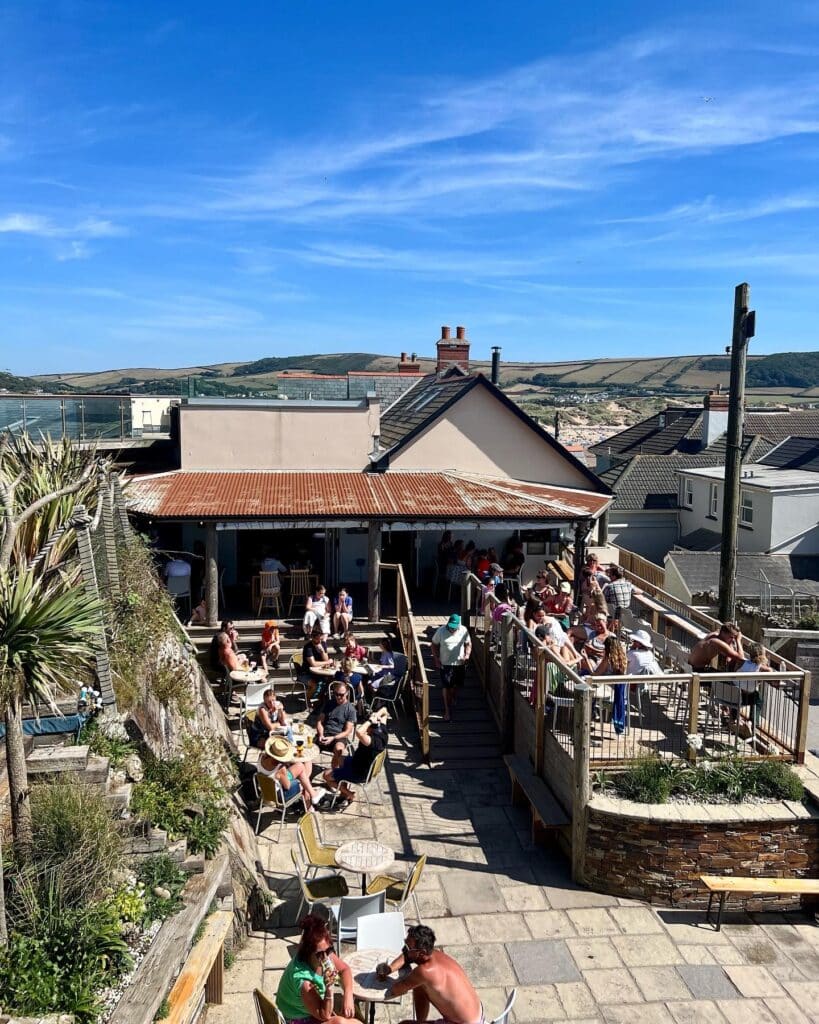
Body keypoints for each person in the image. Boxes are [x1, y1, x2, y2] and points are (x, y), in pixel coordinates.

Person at [376, 924, 484, 1024]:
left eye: (408, 947)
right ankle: (420, 1022)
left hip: (464, 1023)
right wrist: (389, 969)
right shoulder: (434, 954)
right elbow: (406, 955)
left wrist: (396, 981)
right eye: (405, 943)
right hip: (478, 1014)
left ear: (421, 952)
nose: (404, 949)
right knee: (420, 986)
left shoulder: (425, 971)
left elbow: (397, 990)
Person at [276, 912, 357, 1024]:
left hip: (311, 1008)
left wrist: (348, 995)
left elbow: (345, 969)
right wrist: (329, 989)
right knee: (339, 1022)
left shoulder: (323, 954)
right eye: (319, 954)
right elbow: (324, 1015)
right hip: (297, 1018)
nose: (325, 957)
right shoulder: (304, 981)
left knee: (348, 1017)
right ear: (308, 952)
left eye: (328, 950)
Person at [322, 707, 389, 808]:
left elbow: (358, 732)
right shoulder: (382, 730)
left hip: (359, 773)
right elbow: (384, 710)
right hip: (361, 765)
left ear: (370, 729)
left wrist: (370, 720)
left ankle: (349, 794)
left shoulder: (371, 741)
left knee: (326, 775)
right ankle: (343, 786)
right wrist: (376, 716)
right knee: (340, 756)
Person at [257, 735, 317, 810]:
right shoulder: (280, 769)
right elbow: (287, 786)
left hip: (266, 790)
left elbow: (274, 771)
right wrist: (298, 779)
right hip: (279, 796)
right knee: (302, 781)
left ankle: (311, 792)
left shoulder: (261, 756)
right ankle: (311, 797)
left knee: (300, 766)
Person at [431, 613, 472, 723]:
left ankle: (453, 696)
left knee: (456, 686)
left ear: (458, 625)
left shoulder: (463, 630)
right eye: (450, 626)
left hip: (459, 663)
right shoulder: (441, 631)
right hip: (445, 664)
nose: (452, 628)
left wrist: (467, 655)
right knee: (446, 686)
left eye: (454, 626)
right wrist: (436, 658)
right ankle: (447, 710)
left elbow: (468, 643)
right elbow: (434, 644)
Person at [593, 634, 629, 734]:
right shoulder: (623, 659)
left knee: (588, 687)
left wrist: (586, 660)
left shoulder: (607, 660)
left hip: (607, 691)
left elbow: (595, 675)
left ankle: (591, 713)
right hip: (619, 692)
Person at [315, 682, 357, 768]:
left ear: (347, 693)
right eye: (336, 694)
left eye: (341, 695)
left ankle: (336, 775)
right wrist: (321, 734)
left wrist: (333, 738)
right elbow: (319, 721)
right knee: (307, 749)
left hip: (339, 736)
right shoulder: (329, 703)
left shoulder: (350, 710)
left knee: (339, 751)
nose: (338, 697)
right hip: (325, 733)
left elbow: (347, 731)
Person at [303, 626, 333, 703]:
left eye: (320, 638)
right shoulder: (308, 647)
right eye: (317, 638)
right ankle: (307, 700)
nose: (319, 640)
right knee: (314, 685)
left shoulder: (322, 644)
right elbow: (313, 664)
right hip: (307, 673)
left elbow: (326, 659)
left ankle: (322, 698)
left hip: (320, 672)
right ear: (313, 637)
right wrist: (327, 662)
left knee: (330, 680)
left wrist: (322, 651)